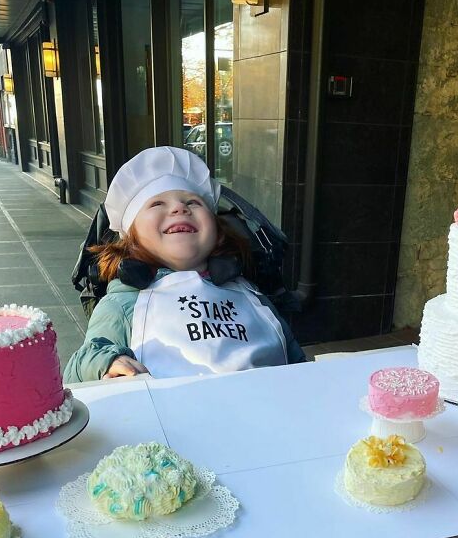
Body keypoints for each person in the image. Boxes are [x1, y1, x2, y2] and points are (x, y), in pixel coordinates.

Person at [64, 146, 305, 384]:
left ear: (219, 234)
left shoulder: (251, 294)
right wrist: (106, 361)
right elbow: (78, 369)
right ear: (130, 239)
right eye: (157, 204)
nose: (180, 208)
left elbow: (295, 360)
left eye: (193, 202)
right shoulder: (123, 304)